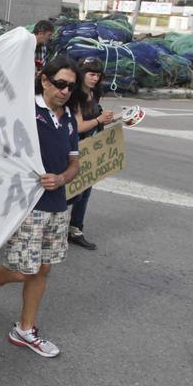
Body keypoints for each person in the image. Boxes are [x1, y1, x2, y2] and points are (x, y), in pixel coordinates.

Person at [0, 57, 81, 357]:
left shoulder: (69, 119)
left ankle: (25, 329)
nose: (65, 91)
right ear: (45, 81)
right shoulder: (24, 111)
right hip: (26, 204)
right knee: (23, 271)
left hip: (57, 204)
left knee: (44, 268)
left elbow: (75, 162)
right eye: (61, 84)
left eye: (71, 87)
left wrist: (62, 177)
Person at [67, 56, 115, 251]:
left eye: (98, 75)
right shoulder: (75, 95)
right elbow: (78, 126)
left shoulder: (93, 94)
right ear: (81, 74)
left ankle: (75, 228)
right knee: (71, 193)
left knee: (85, 190)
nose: (95, 78)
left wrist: (122, 117)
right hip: (75, 148)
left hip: (90, 147)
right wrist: (100, 119)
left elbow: (98, 120)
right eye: (91, 74)